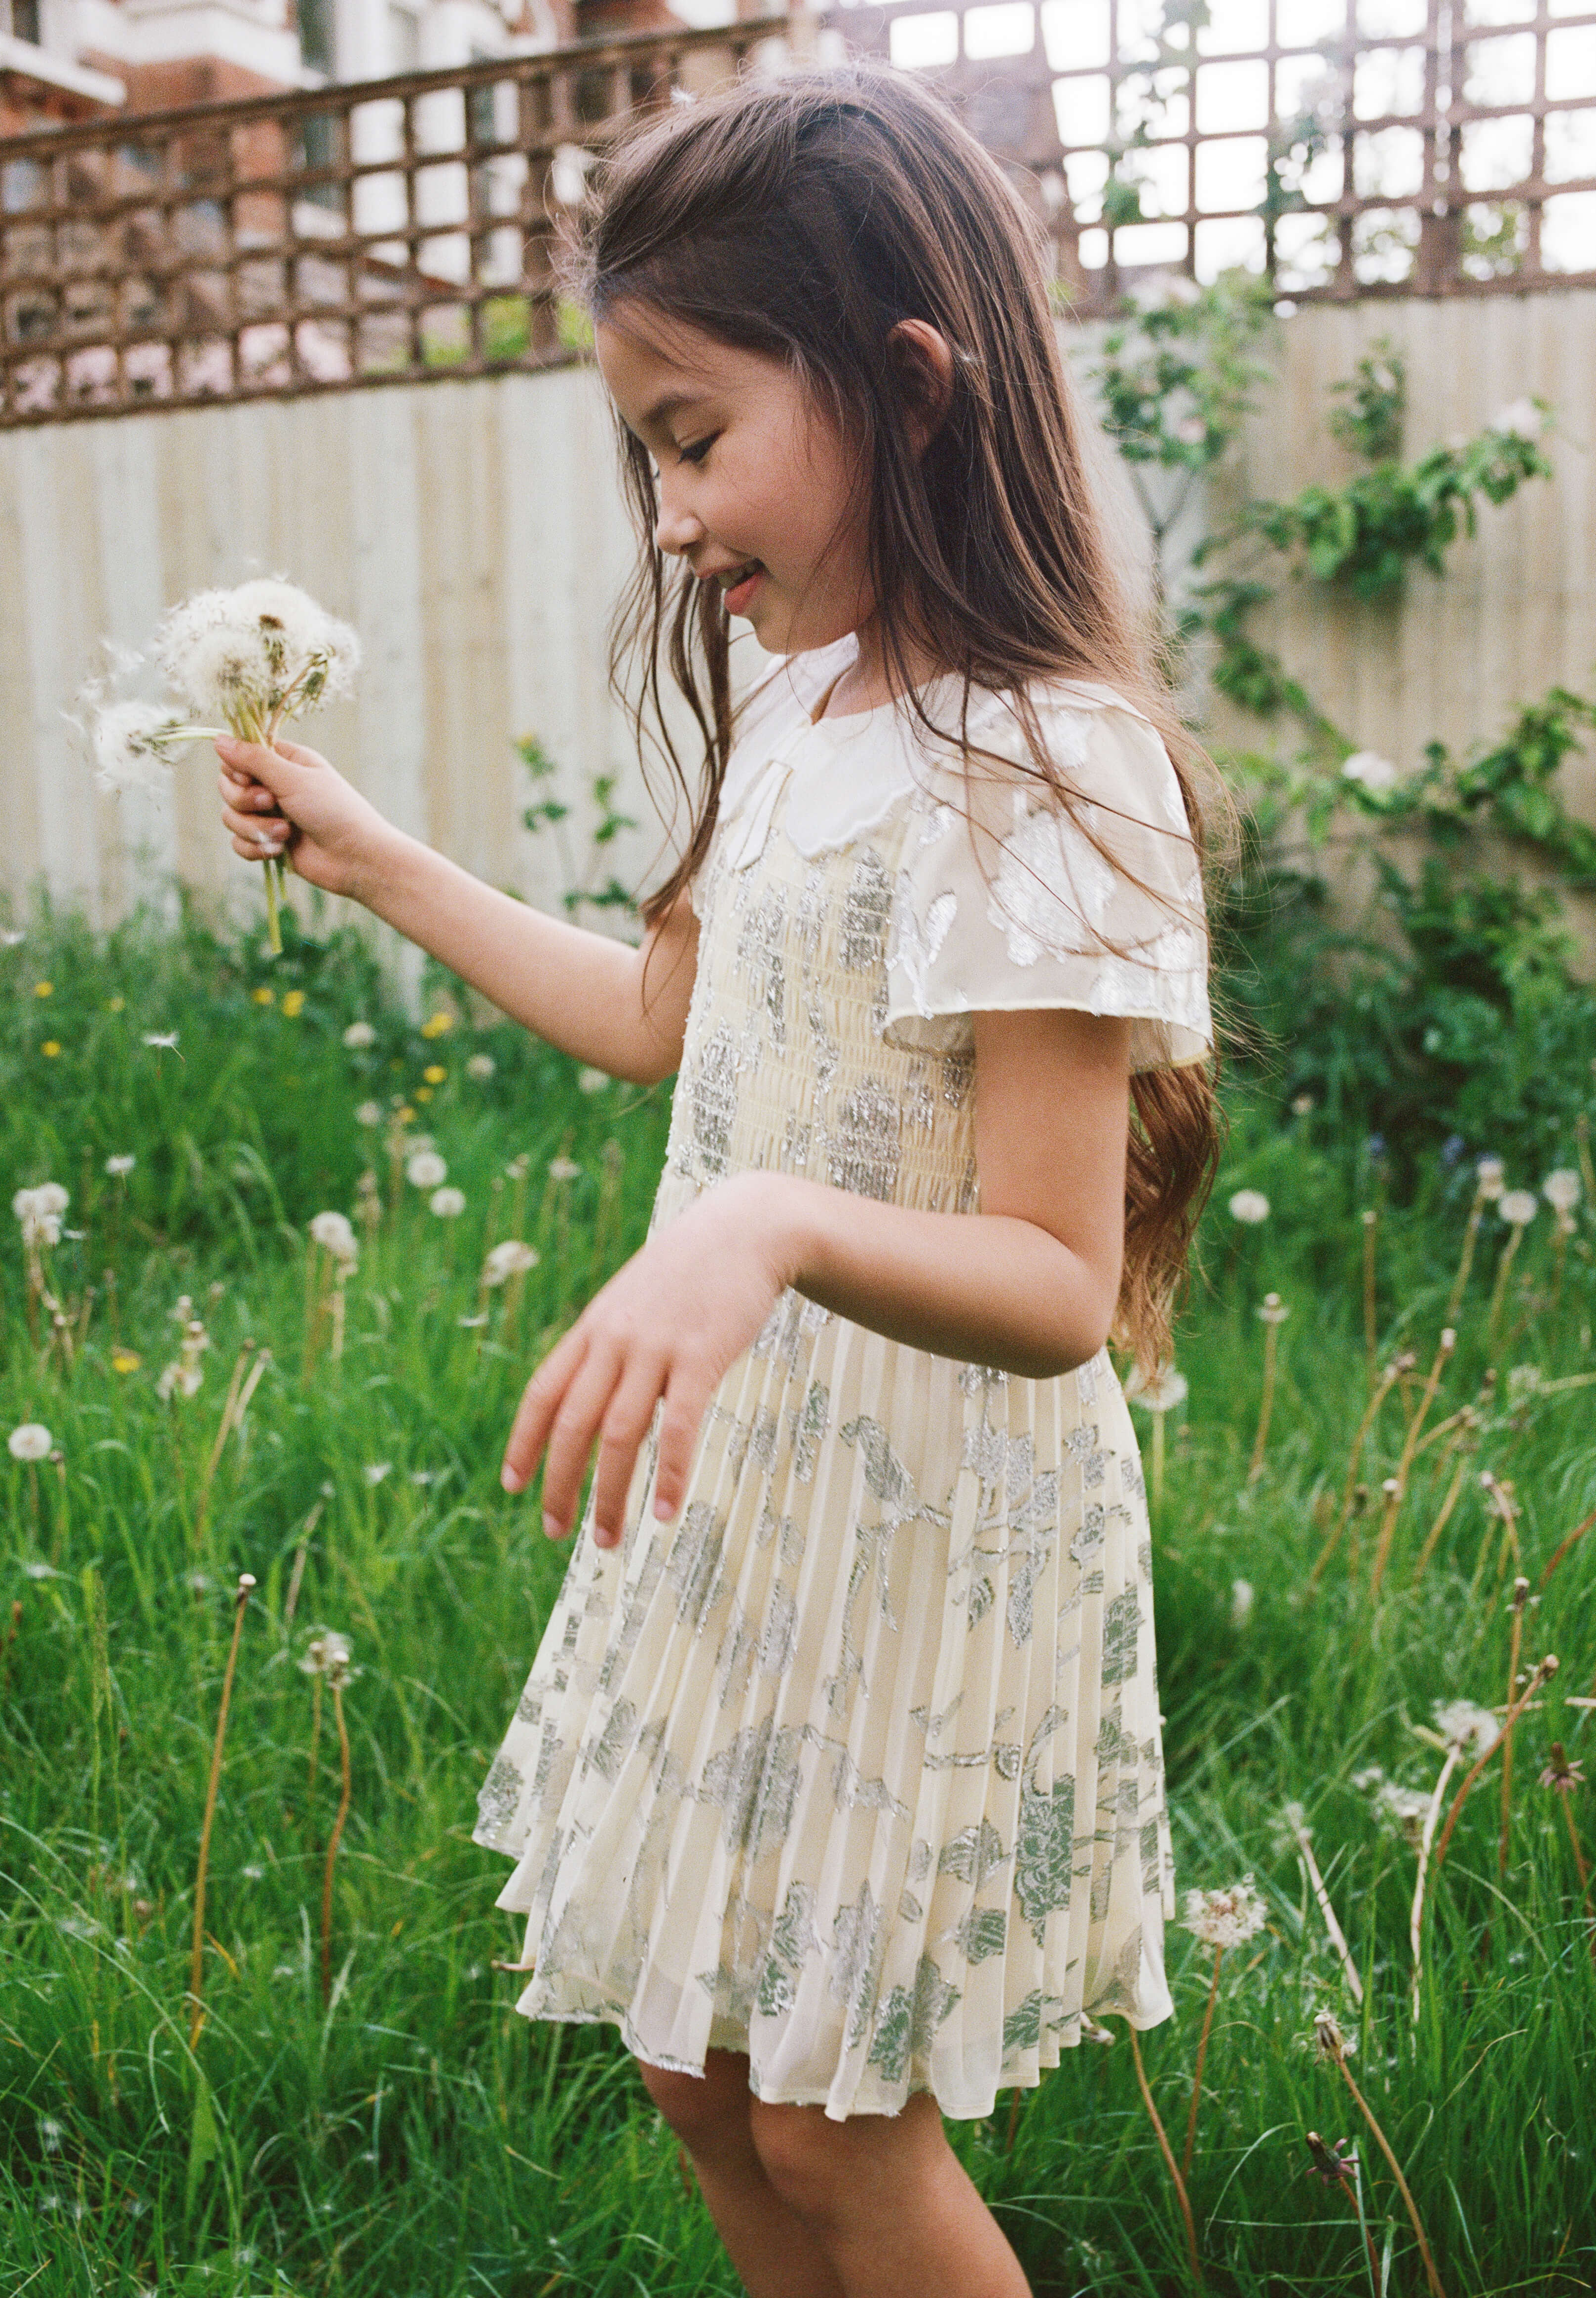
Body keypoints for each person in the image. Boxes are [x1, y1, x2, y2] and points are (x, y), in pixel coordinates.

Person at [217, 59, 1222, 2298]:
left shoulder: (1047, 762)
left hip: (925, 1529)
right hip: (741, 1486)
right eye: (643, 456)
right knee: (692, 2065)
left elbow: (1054, 1276)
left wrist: (752, 1229)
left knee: (832, 2115)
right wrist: (378, 857)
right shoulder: (793, 709)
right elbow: (666, 1023)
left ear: (906, 387)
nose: (666, 517)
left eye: (692, 437)